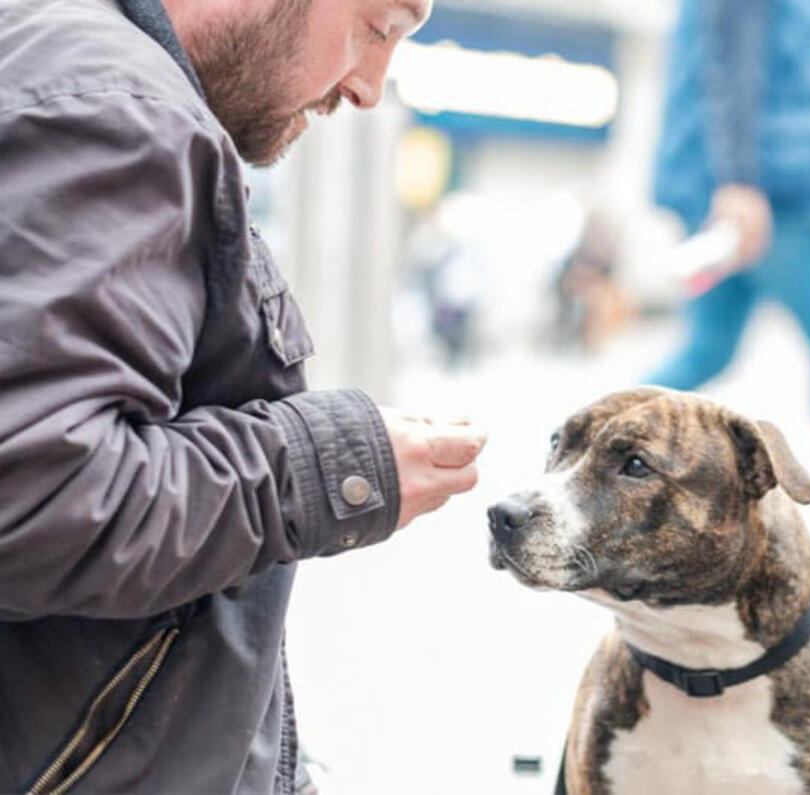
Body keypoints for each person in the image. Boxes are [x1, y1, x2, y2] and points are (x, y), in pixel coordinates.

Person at [0, 0, 484, 791]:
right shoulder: (117, 109)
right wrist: (334, 467)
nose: (369, 87)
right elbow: (39, 494)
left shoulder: (61, 62)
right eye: (378, 27)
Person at [646, 0, 810, 551]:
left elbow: (764, 64)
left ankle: (592, 443)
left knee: (707, 350)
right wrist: (740, 181)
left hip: (750, 185)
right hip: (777, 197)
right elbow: (733, 65)